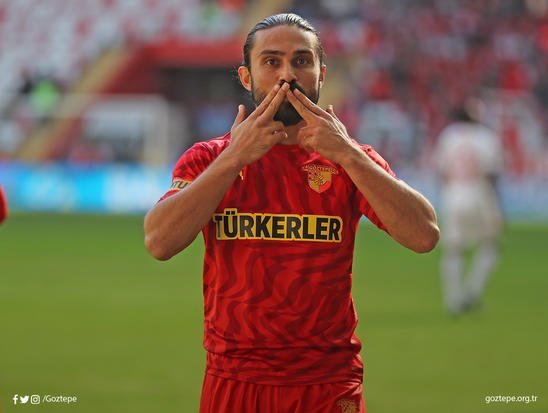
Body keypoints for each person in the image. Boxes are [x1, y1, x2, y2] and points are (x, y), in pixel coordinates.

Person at [144, 13, 439, 413]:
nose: (287, 75)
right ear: (246, 76)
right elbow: (159, 242)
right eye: (271, 61)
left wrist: (349, 155)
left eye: (301, 61)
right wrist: (233, 158)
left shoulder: (348, 158)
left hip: (327, 382)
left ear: (321, 74)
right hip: (235, 379)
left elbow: (424, 235)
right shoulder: (210, 158)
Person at [435, 104, 503, 316]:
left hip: (453, 194)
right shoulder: (486, 137)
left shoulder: (448, 136)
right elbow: (492, 173)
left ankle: (453, 301)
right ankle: (472, 292)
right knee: (491, 244)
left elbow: (441, 170)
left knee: (453, 250)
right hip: (478, 192)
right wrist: (498, 206)